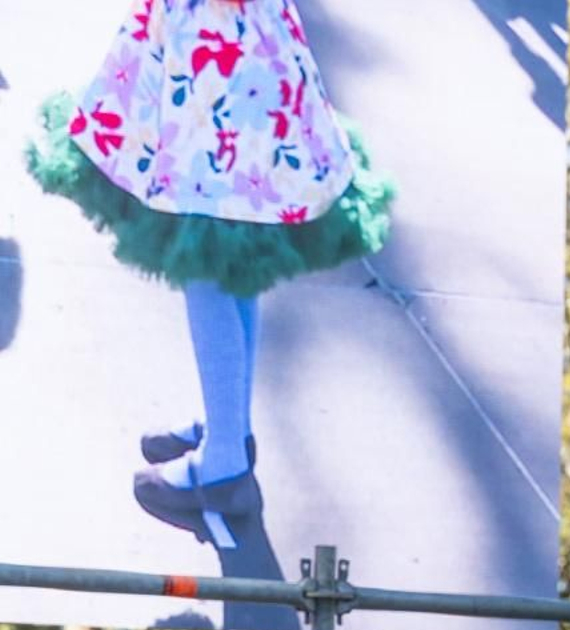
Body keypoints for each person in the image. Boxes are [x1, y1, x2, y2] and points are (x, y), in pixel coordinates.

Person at [27, 0, 393, 547]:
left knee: (209, 247)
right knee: (227, 249)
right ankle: (229, 429)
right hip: (219, 45)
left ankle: (223, 465)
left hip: (222, 58)